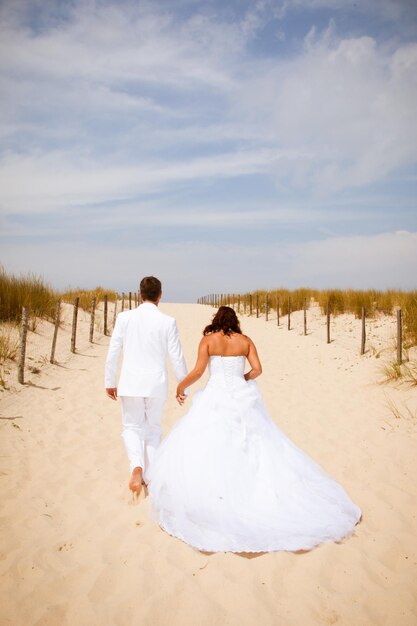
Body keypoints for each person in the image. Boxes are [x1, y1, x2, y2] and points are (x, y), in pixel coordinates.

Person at [148, 306, 362, 553]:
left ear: (215, 320)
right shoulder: (245, 341)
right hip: (242, 395)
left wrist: (181, 387)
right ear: (235, 321)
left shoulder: (208, 340)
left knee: (211, 443)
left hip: (215, 396)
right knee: (254, 442)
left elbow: (197, 371)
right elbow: (258, 370)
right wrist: (242, 380)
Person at [105, 276, 187, 496]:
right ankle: (150, 476)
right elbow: (176, 357)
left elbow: (114, 351)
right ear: (160, 295)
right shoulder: (168, 322)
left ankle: (136, 467)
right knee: (153, 429)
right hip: (156, 384)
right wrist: (183, 386)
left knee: (131, 427)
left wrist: (109, 381)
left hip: (130, 382)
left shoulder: (124, 318)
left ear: (140, 294)